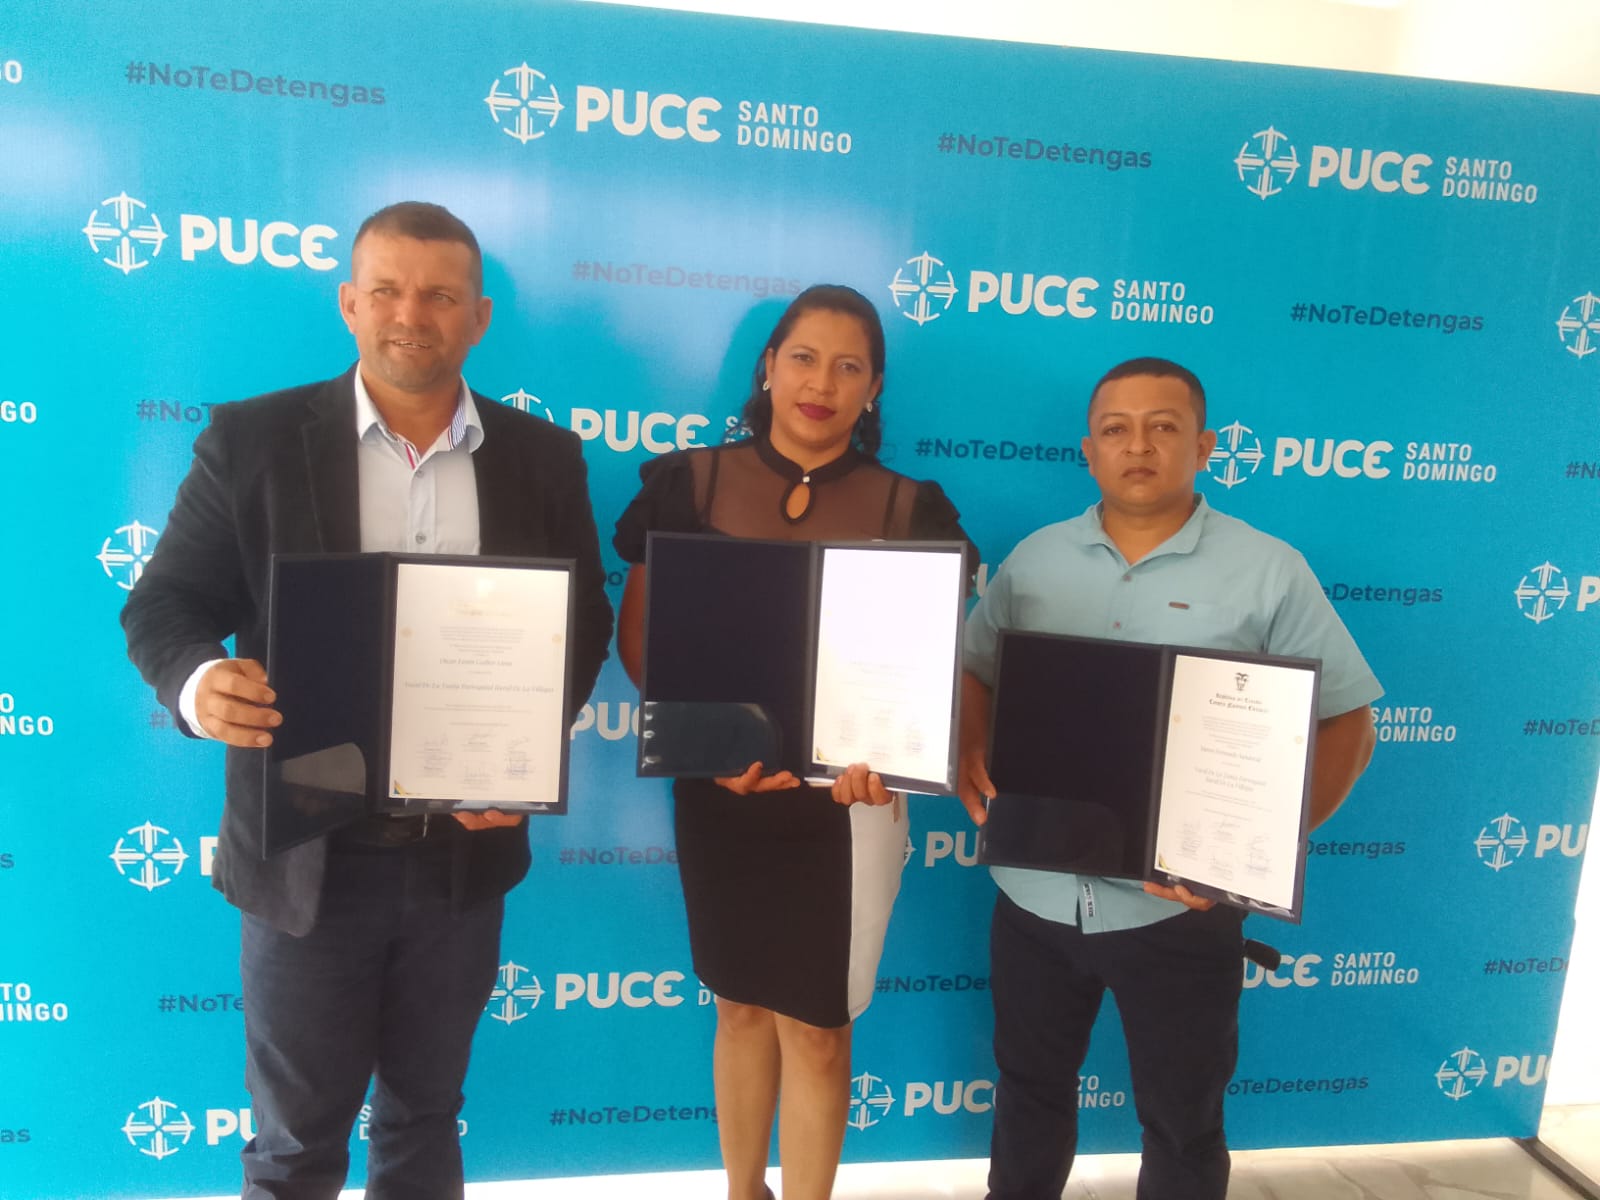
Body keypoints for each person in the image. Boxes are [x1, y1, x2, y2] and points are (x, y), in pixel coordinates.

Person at [121, 201, 613, 1200]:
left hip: (460, 859)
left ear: (478, 316)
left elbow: (582, 622)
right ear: (349, 302)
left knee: (424, 1121)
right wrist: (200, 684)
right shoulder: (253, 440)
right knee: (295, 1146)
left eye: (439, 295)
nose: (410, 315)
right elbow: (165, 604)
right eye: (386, 290)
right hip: (307, 858)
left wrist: (519, 751)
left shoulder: (542, 457)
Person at [957, 357, 1381, 1200]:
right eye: (1116, 429)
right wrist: (970, 747)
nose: (1139, 446)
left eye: (1163, 427)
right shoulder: (1034, 560)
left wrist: (1260, 850)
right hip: (1035, 895)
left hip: (1180, 908)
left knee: (1183, 1125)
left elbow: (1350, 723)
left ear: (1205, 446)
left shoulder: (1269, 570)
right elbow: (977, 671)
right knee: (1028, 1098)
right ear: (1088, 450)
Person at [612, 285, 976, 1200]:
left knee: (818, 1032)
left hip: (846, 811)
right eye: (805, 358)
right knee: (738, 1010)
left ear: (873, 388)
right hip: (720, 793)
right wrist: (708, 751)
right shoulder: (690, 483)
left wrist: (892, 761)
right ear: (769, 366)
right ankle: (744, 1190)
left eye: (849, 367)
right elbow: (643, 640)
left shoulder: (912, 509)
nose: (822, 383)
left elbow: (926, 668)